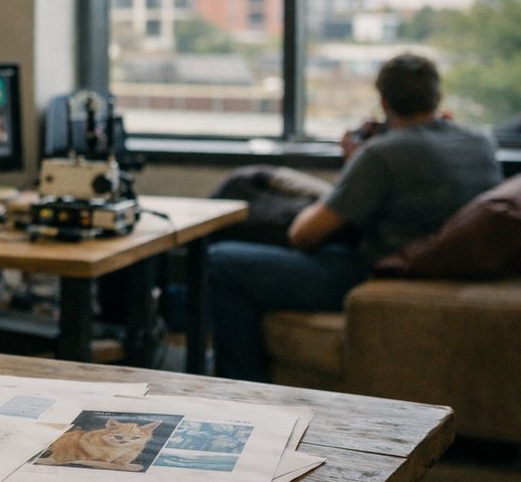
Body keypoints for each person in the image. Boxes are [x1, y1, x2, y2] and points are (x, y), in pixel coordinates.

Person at [207, 53, 502, 383]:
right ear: (437, 96)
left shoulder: (382, 153)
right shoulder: (481, 141)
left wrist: (355, 166)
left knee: (221, 261)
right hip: (440, 262)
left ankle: (243, 389)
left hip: (372, 271)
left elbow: (302, 236)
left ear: (383, 100)